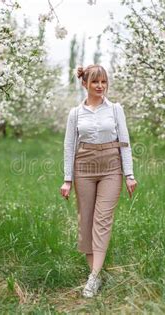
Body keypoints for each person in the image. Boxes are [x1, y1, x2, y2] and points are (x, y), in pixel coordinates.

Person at [60, 64, 137, 298]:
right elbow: (69, 146)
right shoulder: (75, 113)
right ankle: (96, 272)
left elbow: (124, 141)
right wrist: (67, 179)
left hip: (111, 168)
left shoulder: (115, 110)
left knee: (102, 220)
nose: (100, 86)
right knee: (86, 221)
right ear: (85, 84)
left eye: (103, 82)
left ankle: (93, 278)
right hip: (83, 168)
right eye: (95, 82)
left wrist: (129, 175)